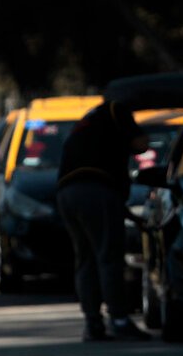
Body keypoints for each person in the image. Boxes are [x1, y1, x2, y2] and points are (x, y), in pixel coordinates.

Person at [57, 100, 151, 342]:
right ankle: (119, 320)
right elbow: (141, 145)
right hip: (96, 188)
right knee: (108, 257)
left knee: (85, 258)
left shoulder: (89, 119)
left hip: (67, 192)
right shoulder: (118, 109)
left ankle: (92, 323)